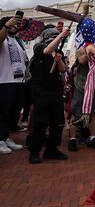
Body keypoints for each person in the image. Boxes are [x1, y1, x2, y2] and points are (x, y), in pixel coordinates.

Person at [28, 27, 71, 163]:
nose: (56, 41)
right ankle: (34, 151)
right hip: (41, 91)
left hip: (55, 91)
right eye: (54, 38)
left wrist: (59, 60)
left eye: (57, 38)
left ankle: (51, 149)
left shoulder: (58, 52)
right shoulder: (39, 47)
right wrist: (61, 36)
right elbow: (47, 50)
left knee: (58, 122)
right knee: (40, 122)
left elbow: (63, 70)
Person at [0, 16, 27, 154]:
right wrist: (5, 27)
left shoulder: (18, 41)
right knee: (3, 112)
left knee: (14, 112)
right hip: (4, 81)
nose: (15, 25)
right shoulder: (2, 38)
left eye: (17, 24)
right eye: (12, 23)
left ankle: (6, 137)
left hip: (19, 81)